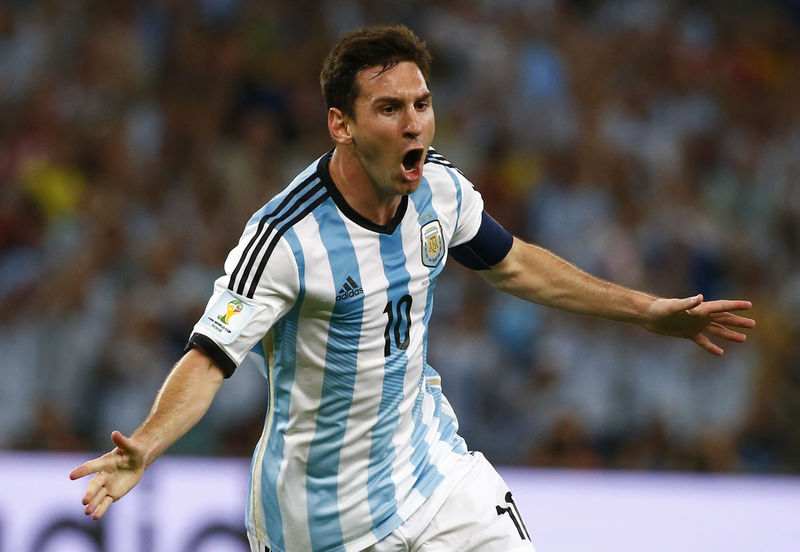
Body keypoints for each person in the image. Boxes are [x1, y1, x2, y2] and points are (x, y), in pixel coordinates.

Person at [70, 25, 755, 552]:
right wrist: (149, 445)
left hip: (431, 473)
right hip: (321, 520)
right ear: (341, 124)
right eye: (390, 108)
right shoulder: (285, 239)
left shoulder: (441, 193)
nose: (415, 124)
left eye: (422, 105)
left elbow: (514, 263)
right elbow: (210, 355)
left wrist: (646, 310)